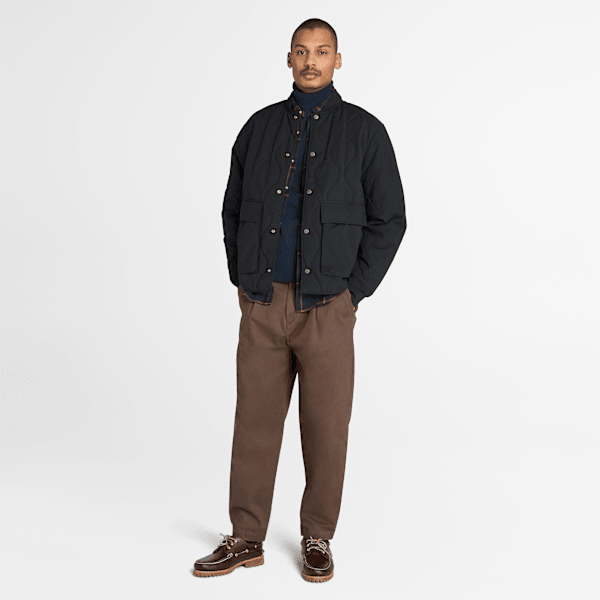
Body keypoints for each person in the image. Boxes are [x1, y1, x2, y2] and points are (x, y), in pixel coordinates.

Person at [193, 17, 407, 583]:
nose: (311, 61)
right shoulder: (258, 129)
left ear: (338, 60)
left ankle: (317, 536)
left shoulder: (365, 133)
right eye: (302, 51)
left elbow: (390, 219)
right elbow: (232, 209)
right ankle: (246, 537)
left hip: (328, 307)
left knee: (326, 426)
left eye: (322, 51)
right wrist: (244, 278)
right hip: (263, 303)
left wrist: (353, 293)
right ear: (288, 59)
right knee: (254, 423)